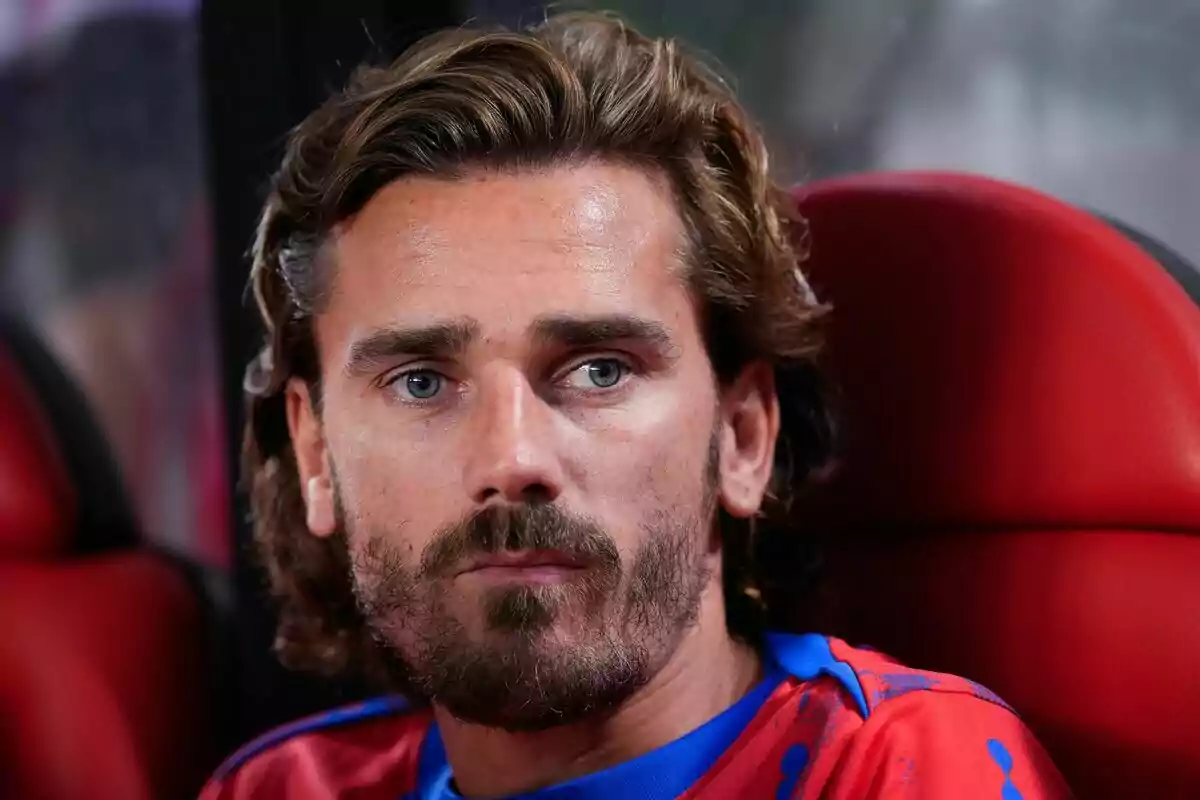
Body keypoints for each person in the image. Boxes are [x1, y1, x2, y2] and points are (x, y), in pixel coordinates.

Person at [201, 12, 1071, 800]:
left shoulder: (904, 774)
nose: (513, 459)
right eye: (422, 381)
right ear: (317, 458)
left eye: (599, 370)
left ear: (742, 437)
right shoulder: (283, 790)